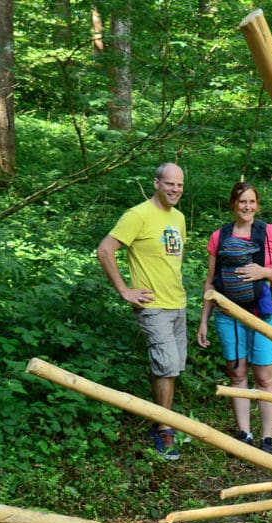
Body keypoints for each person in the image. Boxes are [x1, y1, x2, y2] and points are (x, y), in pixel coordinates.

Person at [97, 162, 189, 461]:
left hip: (177, 303)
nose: (175, 189)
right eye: (169, 184)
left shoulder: (179, 218)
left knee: (170, 366)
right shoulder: (137, 215)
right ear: (156, 184)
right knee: (167, 366)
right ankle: (164, 428)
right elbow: (105, 250)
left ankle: (163, 418)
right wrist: (125, 290)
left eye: (179, 185)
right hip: (153, 306)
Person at [197, 181, 272, 455]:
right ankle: (244, 434)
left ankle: (267, 437)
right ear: (234, 204)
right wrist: (204, 320)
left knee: (264, 376)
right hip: (228, 316)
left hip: (261, 314)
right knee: (237, 374)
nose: (247, 207)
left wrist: (263, 272)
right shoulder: (220, 236)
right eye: (242, 202)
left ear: (257, 204)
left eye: (251, 202)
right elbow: (210, 282)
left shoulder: (270, 233)